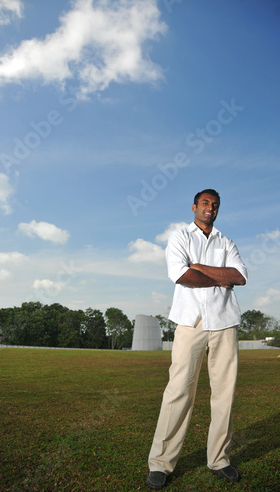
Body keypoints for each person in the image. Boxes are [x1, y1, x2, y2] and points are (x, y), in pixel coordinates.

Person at [147, 189, 247, 490]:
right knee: (178, 391)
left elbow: (240, 276)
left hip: (225, 322)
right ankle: (161, 463)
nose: (210, 208)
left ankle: (219, 459)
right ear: (194, 207)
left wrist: (200, 267)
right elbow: (181, 275)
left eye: (215, 205)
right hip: (190, 323)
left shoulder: (226, 242)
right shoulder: (180, 237)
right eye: (205, 203)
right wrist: (220, 277)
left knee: (224, 395)